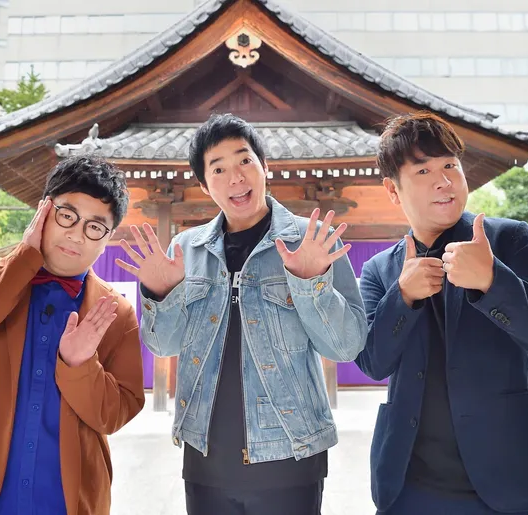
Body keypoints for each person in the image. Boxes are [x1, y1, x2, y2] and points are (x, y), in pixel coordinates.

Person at [115, 113, 367, 515]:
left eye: (245, 160)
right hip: (205, 458)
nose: (235, 177)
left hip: (291, 456)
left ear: (265, 167)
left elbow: (345, 347)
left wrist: (311, 282)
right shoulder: (186, 249)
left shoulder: (311, 241)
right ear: (203, 184)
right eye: (218, 169)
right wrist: (161, 294)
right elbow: (164, 345)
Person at [355, 111, 528, 515]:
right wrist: (402, 297)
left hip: (513, 475)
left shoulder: (510, 239)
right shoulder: (379, 270)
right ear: (393, 190)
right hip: (411, 483)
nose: (443, 181)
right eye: (423, 170)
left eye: (450, 166)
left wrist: (493, 280)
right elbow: (372, 363)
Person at [0, 155, 145, 515]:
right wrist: (22, 260)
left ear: (107, 238)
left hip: (66, 500)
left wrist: (81, 365)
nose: (76, 234)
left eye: (95, 227)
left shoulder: (115, 312)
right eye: (67, 216)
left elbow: (115, 415)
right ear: (44, 211)